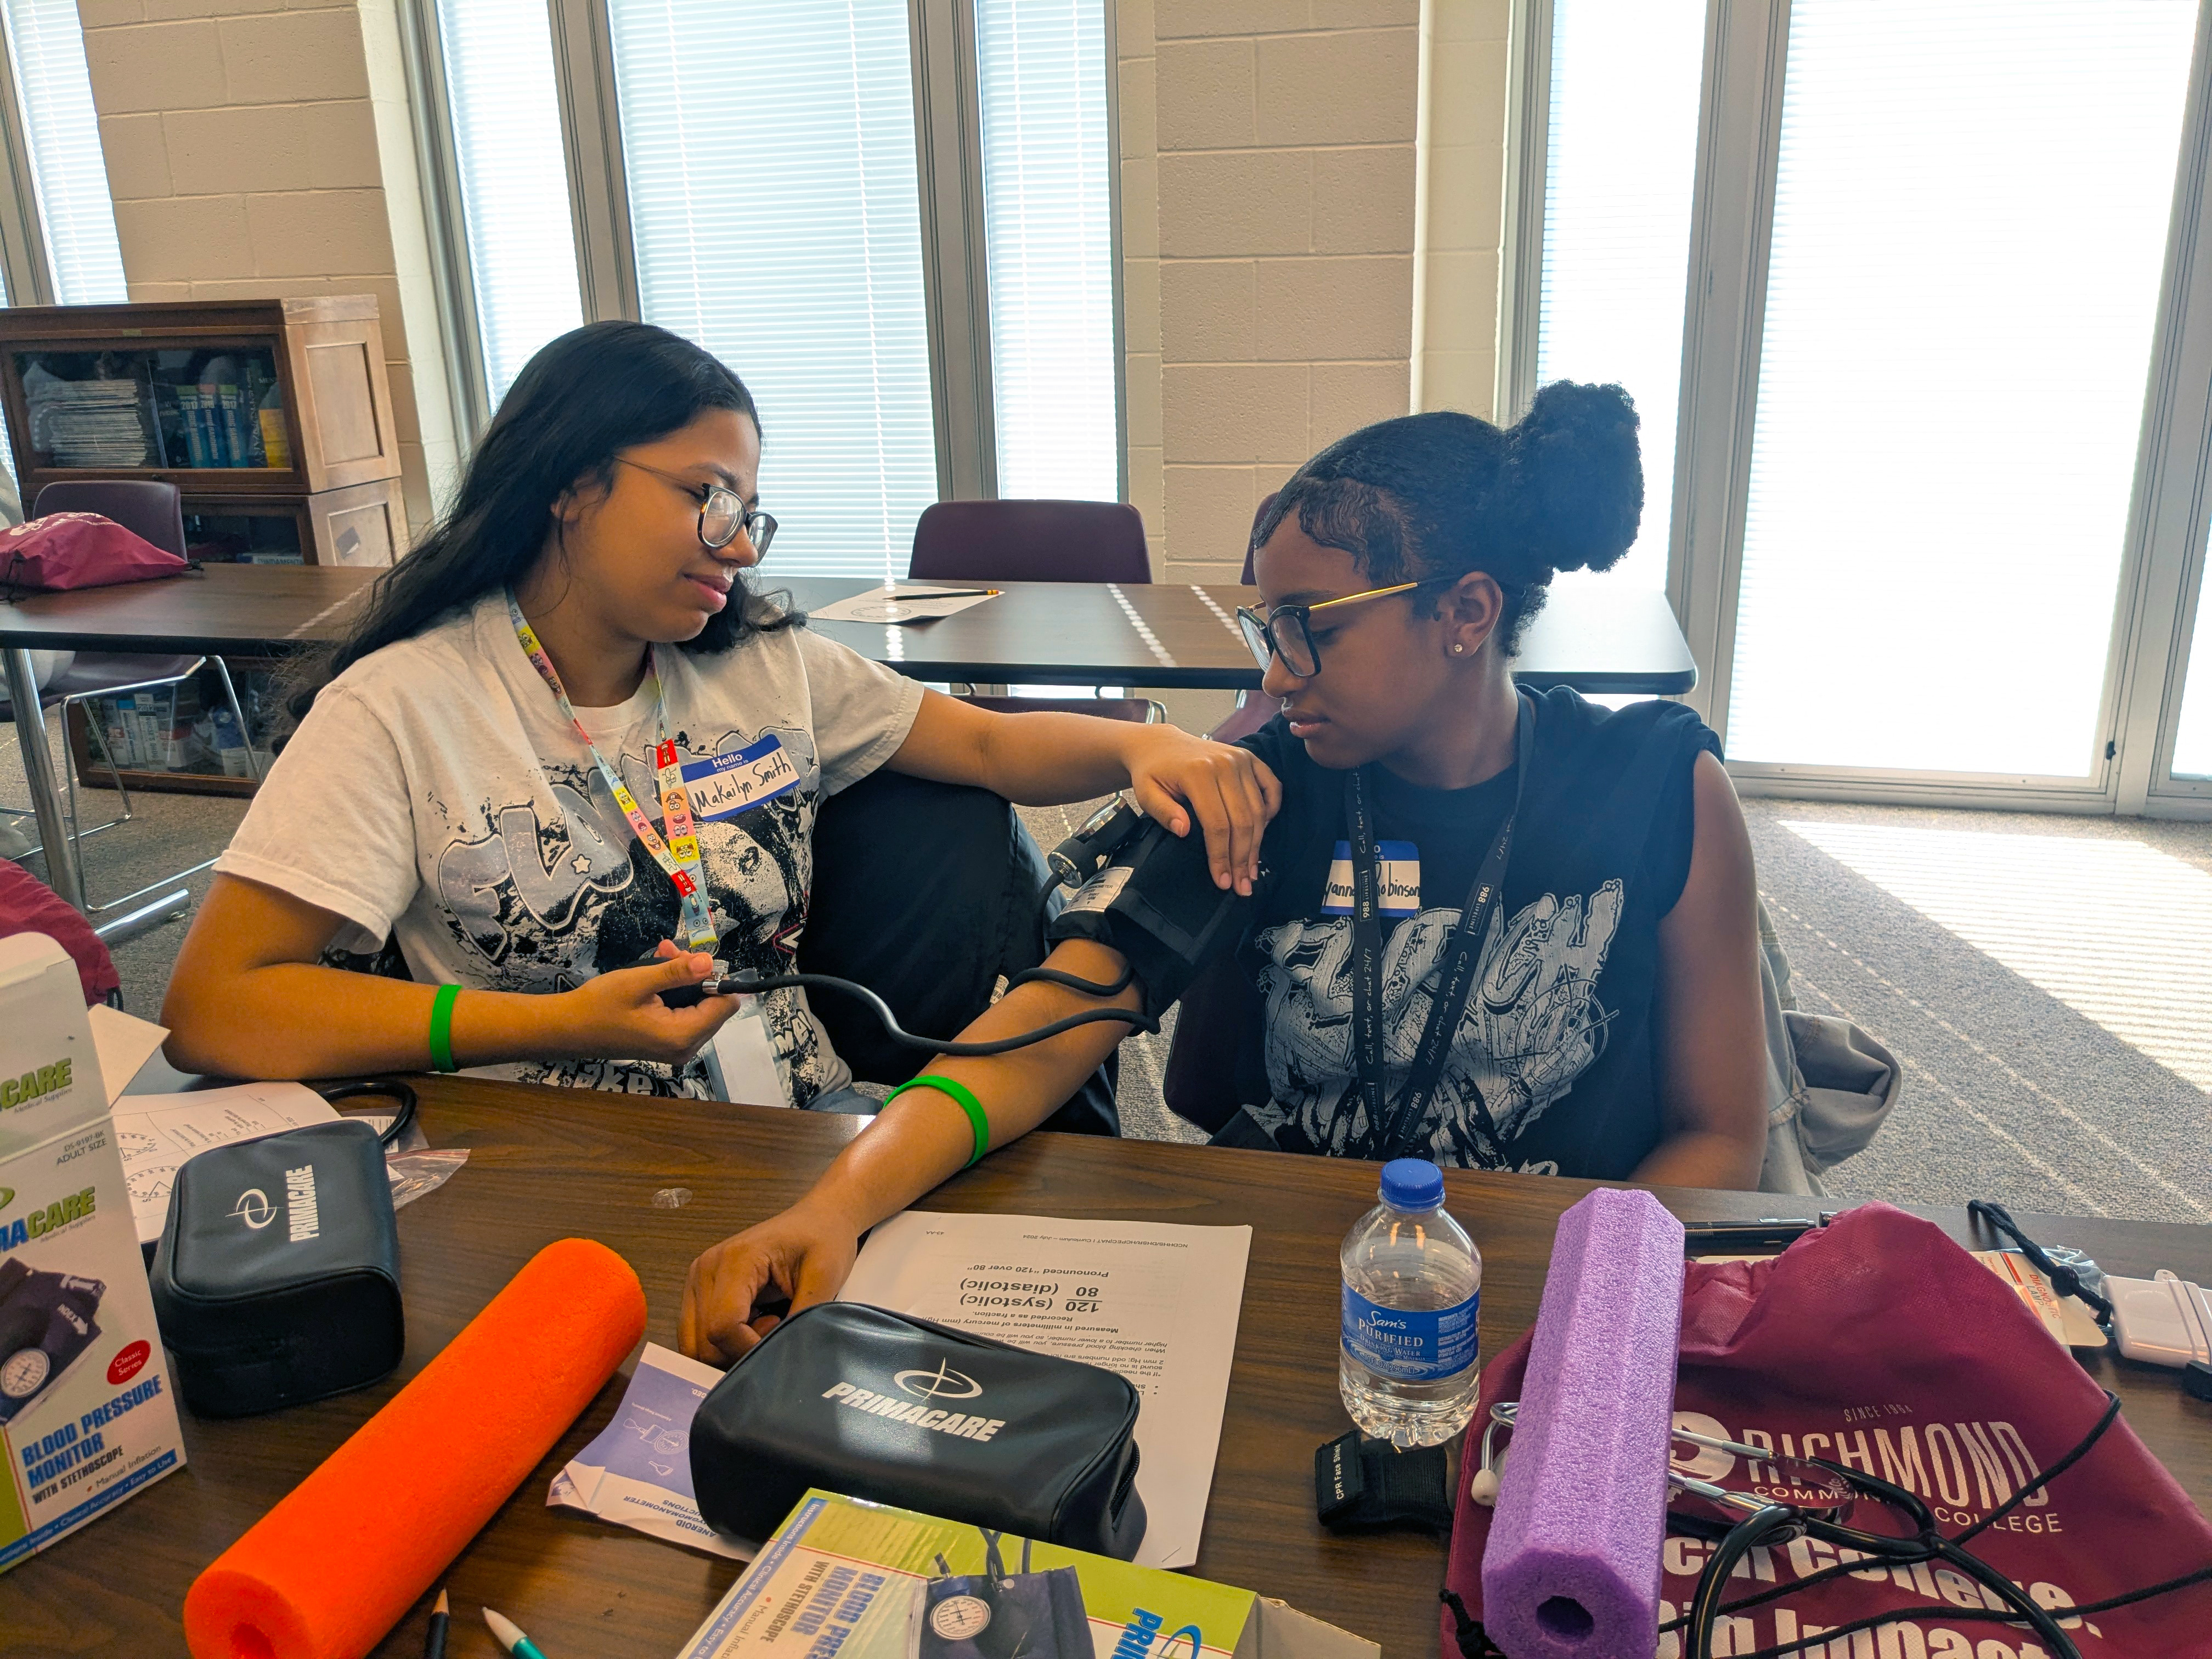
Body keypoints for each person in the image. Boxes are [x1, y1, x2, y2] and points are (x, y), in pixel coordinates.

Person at [679, 382, 1770, 1363]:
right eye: (1266, 629)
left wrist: (1583, 1306)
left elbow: (1720, 1133)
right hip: (1307, 1288)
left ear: (1465, 613)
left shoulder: (1659, 785)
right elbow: (1043, 1033)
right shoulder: (1257, 790)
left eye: (1312, 631)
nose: (1277, 675)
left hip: (1572, 1296)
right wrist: (834, 1206)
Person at [160, 321, 1278, 1106]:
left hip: (799, 1127)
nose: (740, 546)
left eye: (751, 513)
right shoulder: (403, 710)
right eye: (708, 499)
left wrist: (1146, 743)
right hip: (558, 1167)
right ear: (569, 480)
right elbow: (217, 1007)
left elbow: (987, 741)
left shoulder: (762, 666)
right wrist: (554, 1022)